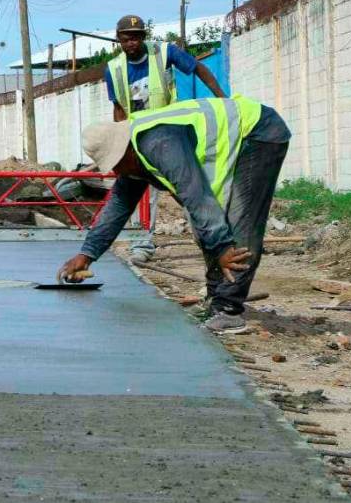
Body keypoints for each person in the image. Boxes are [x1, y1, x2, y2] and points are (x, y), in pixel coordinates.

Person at [57, 95, 290, 334]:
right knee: (208, 227)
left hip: (259, 132)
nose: (116, 171)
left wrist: (221, 247)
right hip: (241, 138)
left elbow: (196, 194)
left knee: (240, 224)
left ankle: (229, 311)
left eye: (116, 163)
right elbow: (118, 206)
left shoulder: (159, 144)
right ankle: (215, 301)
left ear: (125, 151)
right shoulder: (135, 155)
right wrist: (88, 253)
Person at [105, 14, 228, 261]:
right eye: (126, 39)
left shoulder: (163, 52)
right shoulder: (113, 68)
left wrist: (222, 97)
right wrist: (120, 144)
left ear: (144, 37)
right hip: (138, 138)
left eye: (136, 37)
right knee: (143, 193)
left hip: (169, 135)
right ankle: (142, 244)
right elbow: (118, 107)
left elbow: (198, 68)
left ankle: (213, 241)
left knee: (188, 189)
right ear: (118, 39)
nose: (131, 43)